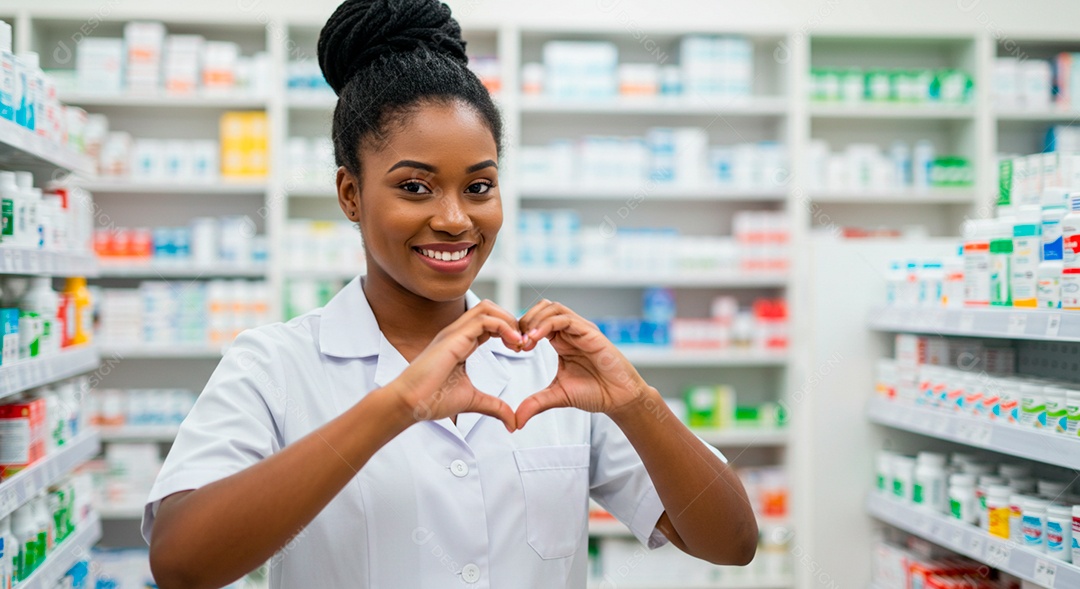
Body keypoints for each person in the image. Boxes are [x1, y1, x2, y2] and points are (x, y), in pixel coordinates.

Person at [143, 0, 758, 587]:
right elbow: (182, 563)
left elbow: (731, 543)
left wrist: (637, 403)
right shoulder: (275, 364)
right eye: (415, 187)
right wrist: (396, 405)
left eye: (479, 186)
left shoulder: (547, 365)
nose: (456, 219)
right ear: (350, 194)